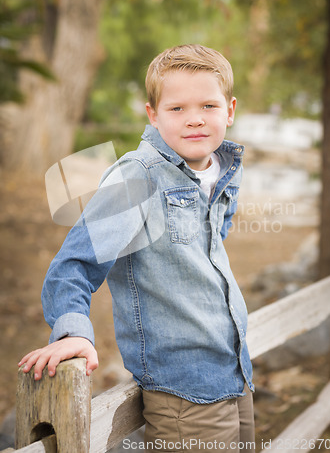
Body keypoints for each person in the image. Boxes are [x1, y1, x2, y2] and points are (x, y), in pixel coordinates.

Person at [19, 44, 255, 452]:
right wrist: (72, 330)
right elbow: (75, 262)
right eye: (177, 108)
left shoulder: (221, 169)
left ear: (229, 110)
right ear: (152, 114)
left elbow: (211, 246)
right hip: (185, 392)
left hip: (236, 373)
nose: (195, 119)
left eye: (208, 106)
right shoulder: (138, 178)